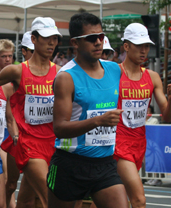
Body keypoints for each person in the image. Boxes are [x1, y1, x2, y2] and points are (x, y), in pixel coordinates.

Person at [47, 13, 128, 208]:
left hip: (104, 163)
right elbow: (59, 128)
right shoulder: (66, 77)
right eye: (91, 39)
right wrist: (98, 121)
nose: (99, 43)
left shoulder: (115, 70)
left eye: (101, 37)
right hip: (70, 163)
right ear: (75, 42)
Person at [0, 17, 62, 208]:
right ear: (34, 39)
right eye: (47, 37)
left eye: (55, 38)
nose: (52, 43)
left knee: (25, 198)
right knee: (49, 195)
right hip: (28, 143)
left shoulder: (61, 73)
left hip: (53, 143)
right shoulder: (17, 71)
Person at [113, 22, 171, 208]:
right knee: (139, 200)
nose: (144, 50)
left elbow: (167, 116)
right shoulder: (113, 73)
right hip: (118, 144)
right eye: (139, 46)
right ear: (127, 46)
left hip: (139, 143)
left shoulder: (153, 77)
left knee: (112, 198)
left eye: (146, 46)